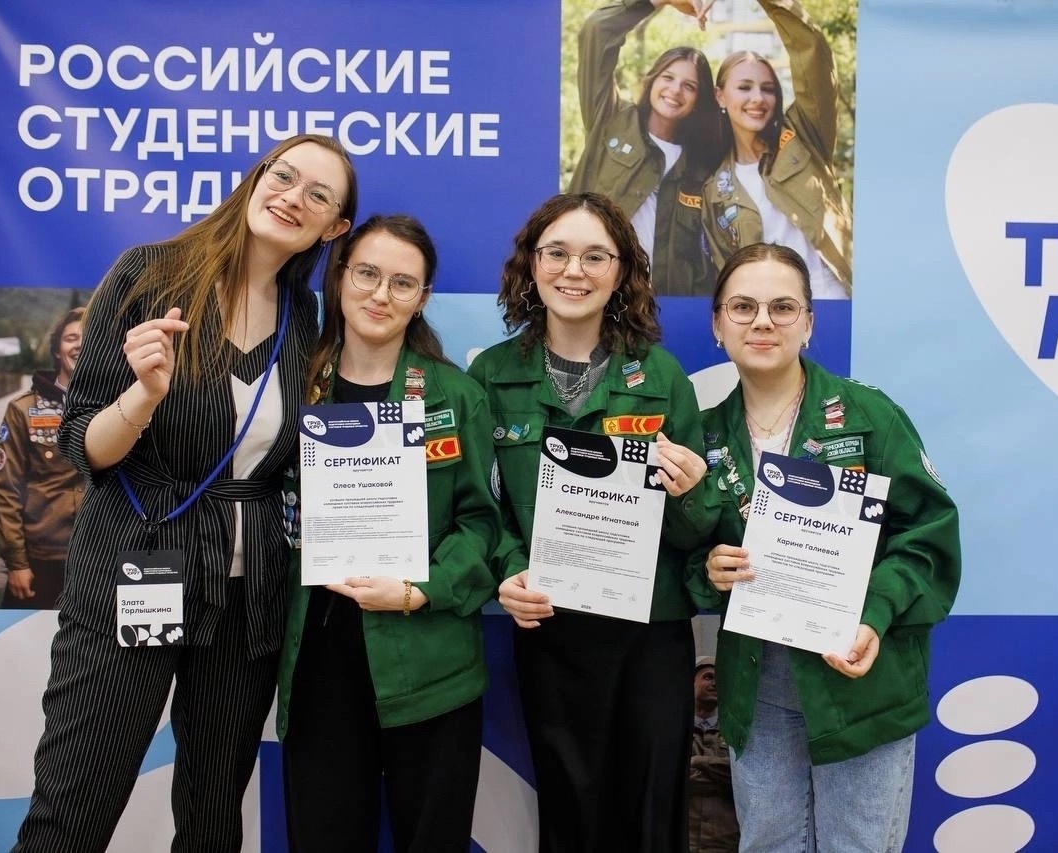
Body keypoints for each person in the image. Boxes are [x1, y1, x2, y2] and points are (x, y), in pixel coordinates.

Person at [13, 134, 356, 853]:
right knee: (73, 814)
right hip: (138, 568)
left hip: (246, 595)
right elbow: (83, 444)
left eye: (318, 195)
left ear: (335, 228)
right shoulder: (149, 275)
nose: (292, 197)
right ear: (256, 179)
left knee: (212, 820)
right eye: (283, 176)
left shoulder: (306, 317)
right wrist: (144, 393)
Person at [466, 191, 713, 852]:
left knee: (651, 813)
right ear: (532, 263)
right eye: (557, 253)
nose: (574, 271)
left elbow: (695, 532)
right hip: (550, 627)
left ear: (621, 270)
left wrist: (691, 493)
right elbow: (481, 508)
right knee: (570, 809)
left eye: (595, 256)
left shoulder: (661, 375)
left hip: (650, 633)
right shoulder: (491, 375)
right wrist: (507, 570)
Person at [694, 243, 961, 851]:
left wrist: (876, 614)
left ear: (809, 323)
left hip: (858, 676)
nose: (763, 322)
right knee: (769, 845)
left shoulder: (870, 417)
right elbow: (683, 548)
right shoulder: (703, 436)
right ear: (717, 325)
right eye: (743, 307)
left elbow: (928, 536)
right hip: (757, 686)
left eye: (783, 307)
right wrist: (710, 567)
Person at [276, 214, 501, 852]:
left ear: (422, 297)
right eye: (367, 274)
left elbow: (481, 524)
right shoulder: (294, 385)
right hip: (319, 658)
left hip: (431, 664)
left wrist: (416, 590)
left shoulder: (455, 396)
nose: (381, 295)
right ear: (339, 277)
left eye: (402, 283)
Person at [703, 0, 854, 299]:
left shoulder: (804, 135)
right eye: (744, 87)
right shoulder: (714, 191)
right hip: (773, 315)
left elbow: (813, 52)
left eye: (768, 89)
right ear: (720, 96)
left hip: (837, 299)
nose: (758, 98)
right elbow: (728, 277)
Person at [569, 0, 720, 295]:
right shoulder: (611, 119)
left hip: (664, 307)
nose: (675, 90)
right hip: (595, 297)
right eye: (668, 78)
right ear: (650, 81)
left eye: (689, 86)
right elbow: (596, 31)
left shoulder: (702, 169)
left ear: (699, 100)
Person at [0, 307, 85, 609]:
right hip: (44, 556)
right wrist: (17, 563)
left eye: (88, 337)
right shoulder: (23, 410)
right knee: (26, 636)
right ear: (57, 350)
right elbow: (6, 490)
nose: (79, 344)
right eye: (71, 338)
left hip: (100, 555)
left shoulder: (121, 405)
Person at [689, 656, 740, 853]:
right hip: (684, 838)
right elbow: (669, 775)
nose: (715, 683)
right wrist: (717, 772)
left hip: (725, 840)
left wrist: (697, 761)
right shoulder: (673, 730)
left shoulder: (735, 732)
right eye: (708, 677)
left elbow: (739, 775)